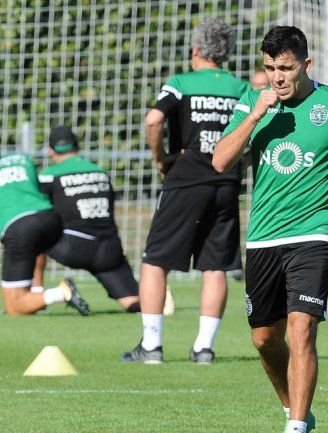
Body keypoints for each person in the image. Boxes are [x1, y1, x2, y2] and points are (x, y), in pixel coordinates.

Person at [212, 26, 328, 433]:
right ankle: (293, 409)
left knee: (302, 329)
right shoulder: (252, 102)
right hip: (264, 236)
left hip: (314, 234)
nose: (277, 77)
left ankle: (296, 427)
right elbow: (220, 161)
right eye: (269, 68)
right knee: (264, 340)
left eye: (285, 68)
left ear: (306, 65)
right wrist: (255, 116)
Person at [122, 18, 249, 364]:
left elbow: (153, 120)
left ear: (195, 51)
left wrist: (160, 156)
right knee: (215, 266)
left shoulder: (180, 83)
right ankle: (204, 348)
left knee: (154, 261)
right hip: (225, 183)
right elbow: (252, 133)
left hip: (186, 177)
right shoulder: (240, 89)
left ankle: (151, 346)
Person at [0, 140, 91, 316]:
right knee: (35, 243)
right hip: (50, 219)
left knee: (14, 308)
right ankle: (37, 294)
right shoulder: (22, 160)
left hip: (21, 229)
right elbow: (25, 194)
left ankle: (61, 292)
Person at [37, 125, 141, 312]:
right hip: (109, 250)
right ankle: (158, 296)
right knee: (134, 303)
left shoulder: (49, 175)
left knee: (30, 233)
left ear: (51, 151)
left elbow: (36, 210)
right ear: (77, 147)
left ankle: (33, 296)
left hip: (73, 247)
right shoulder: (100, 172)